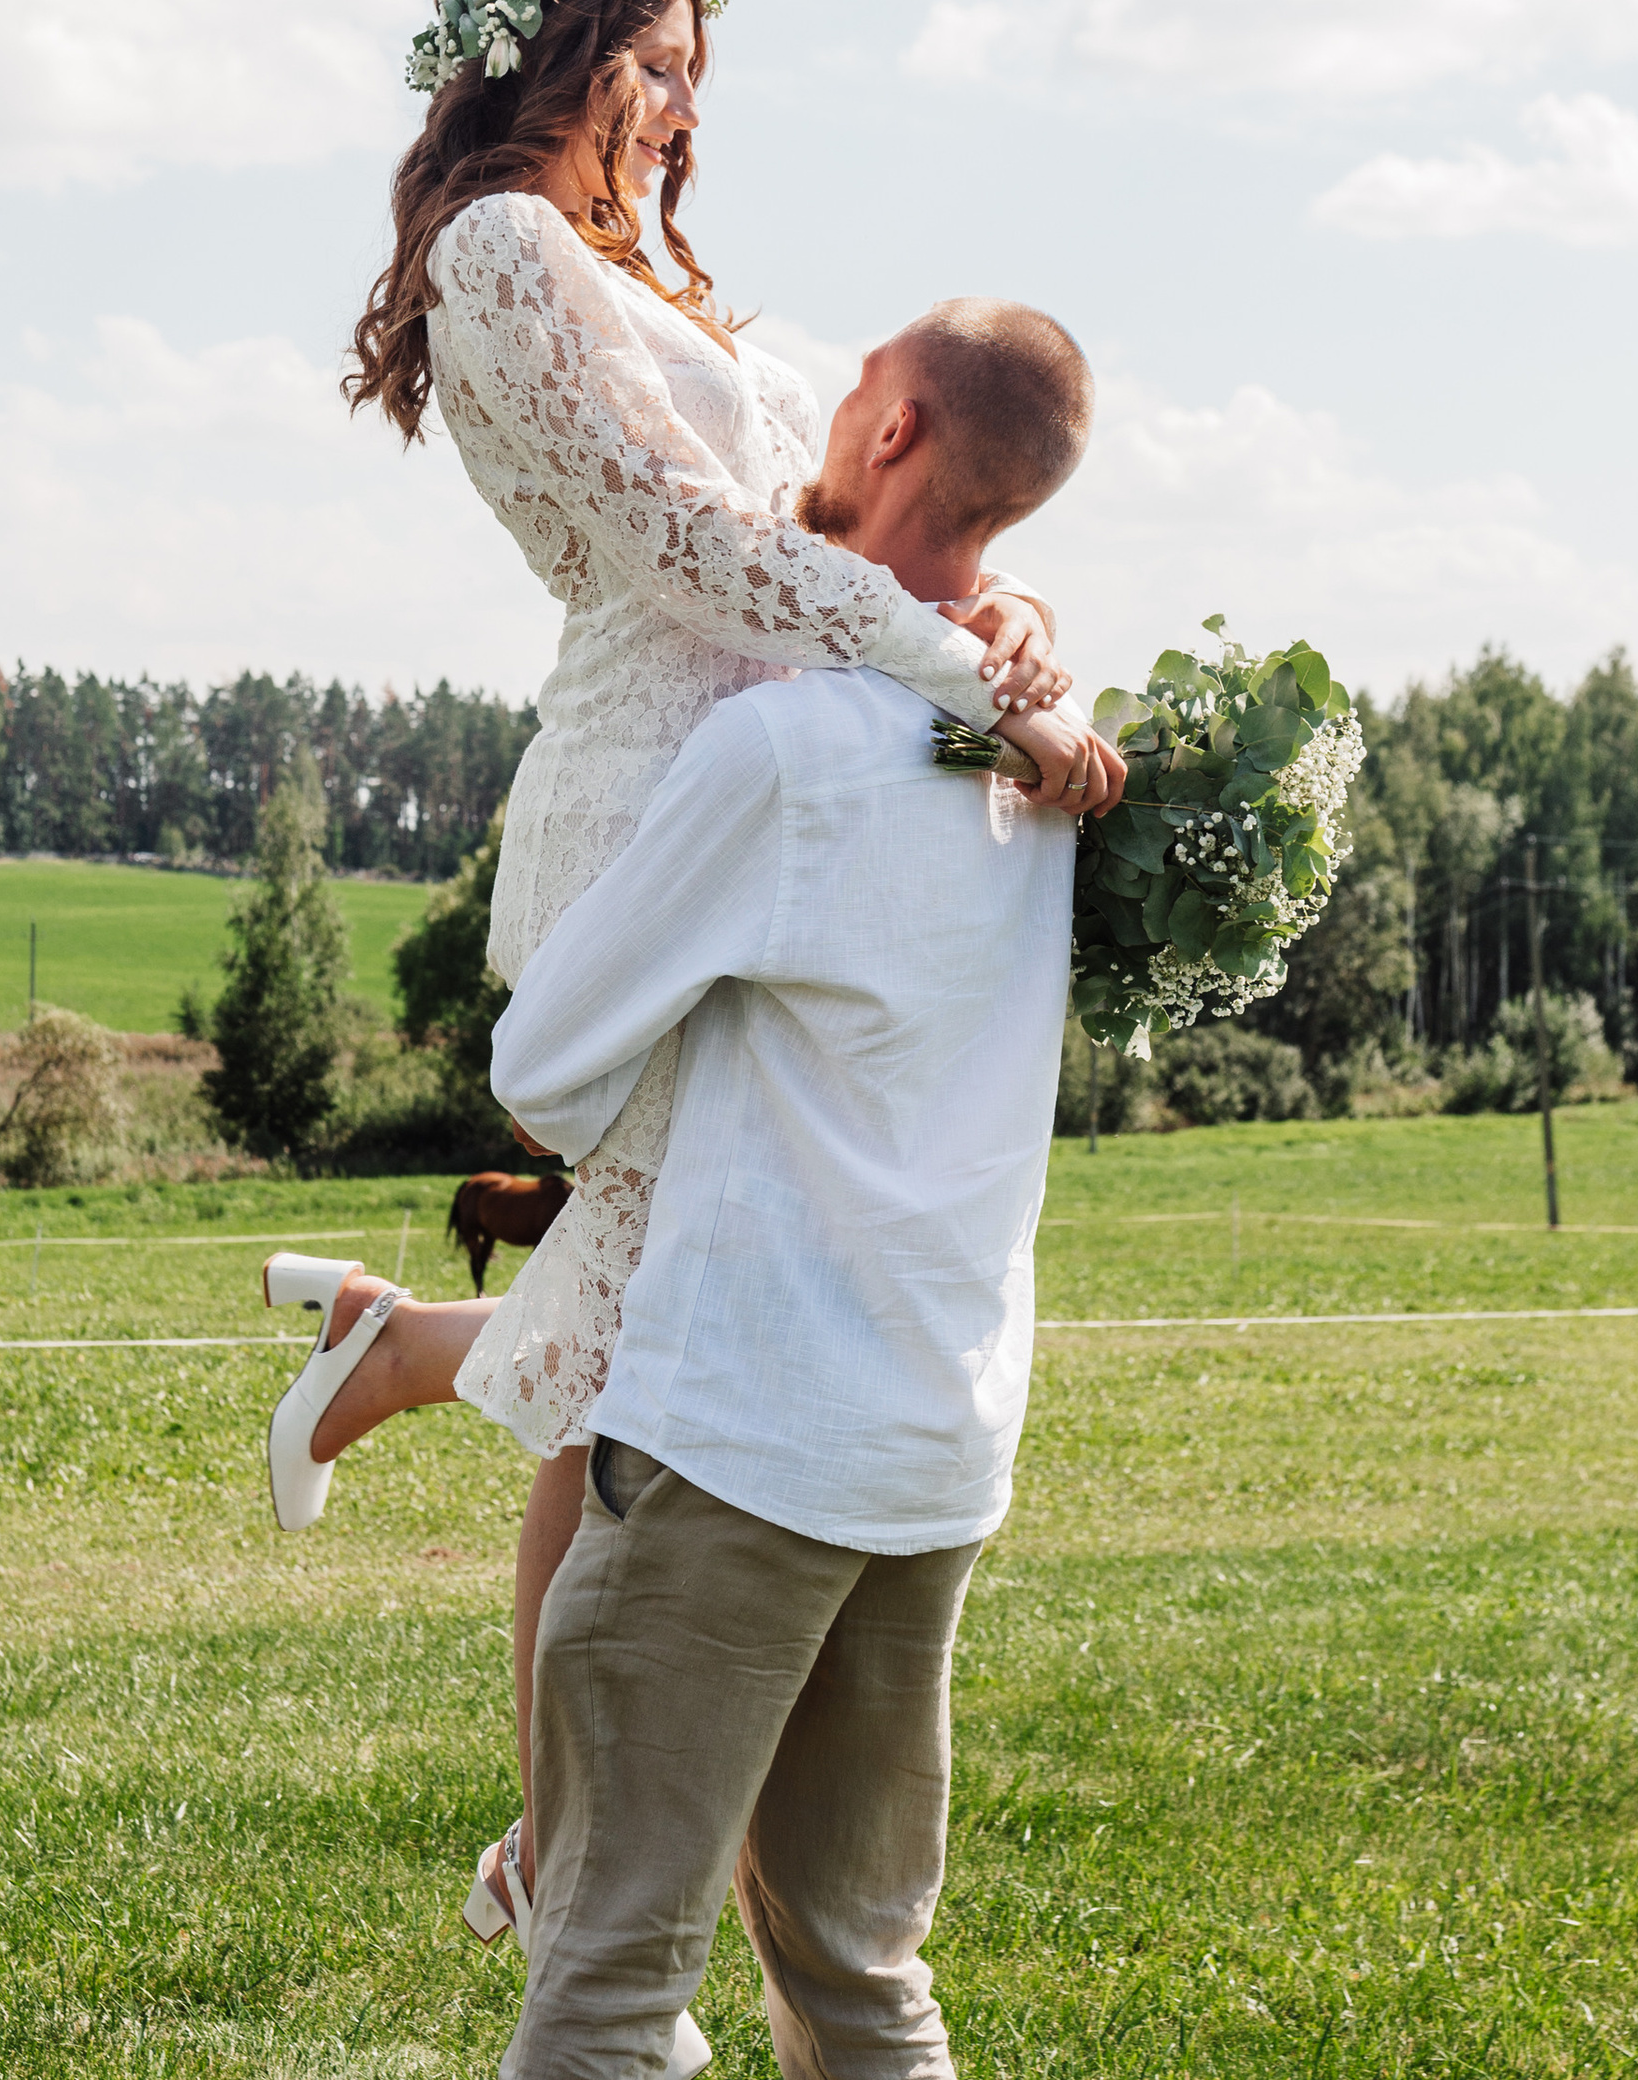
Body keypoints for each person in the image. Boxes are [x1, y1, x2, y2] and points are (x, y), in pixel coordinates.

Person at [254, 0, 1129, 1939]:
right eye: (646, 66)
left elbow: (830, 526)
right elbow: (689, 543)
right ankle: (572, 1853)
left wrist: (988, 621)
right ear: (544, 55)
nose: (670, 112)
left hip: (798, 800)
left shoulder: (666, 276)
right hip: (654, 802)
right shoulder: (499, 254)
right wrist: (947, 664)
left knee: (664, 1297)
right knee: (636, 1343)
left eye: (690, 80)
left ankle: (402, 1368)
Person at [484, 294, 1096, 2077]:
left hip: (743, 1442)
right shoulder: (1048, 765)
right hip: (937, 1443)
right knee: (858, 1978)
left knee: (604, 1977)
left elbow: (542, 1068)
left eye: (847, 391)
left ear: (894, 431)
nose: (816, 416)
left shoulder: (790, 755)